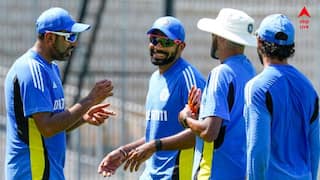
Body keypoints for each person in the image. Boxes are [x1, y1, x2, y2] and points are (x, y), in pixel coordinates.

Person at [5, 7, 115, 179]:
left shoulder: (51, 68)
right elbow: (47, 127)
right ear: (49, 37)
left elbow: (54, 123)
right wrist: (91, 99)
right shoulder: (32, 70)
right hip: (33, 173)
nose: (74, 43)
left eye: (75, 36)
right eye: (69, 36)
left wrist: (82, 118)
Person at [97, 16, 205, 179]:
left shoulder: (188, 78)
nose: (158, 46)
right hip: (150, 174)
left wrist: (155, 146)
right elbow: (155, 135)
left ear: (181, 47)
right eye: (154, 40)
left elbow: (200, 133)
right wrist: (124, 152)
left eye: (166, 42)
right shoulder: (155, 78)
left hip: (176, 174)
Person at [178, 8, 256, 179]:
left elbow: (209, 132)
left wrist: (186, 118)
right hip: (241, 172)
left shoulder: (221, 73)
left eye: (214, 34)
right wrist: (202, 113)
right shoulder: (250, 70)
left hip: (213, 173)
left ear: (221, 37)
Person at [244, 14, 319, 180]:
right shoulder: (309, 89)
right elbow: (315, 147)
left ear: (259, 42)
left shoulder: (257, 88)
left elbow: (258, 149)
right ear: (291, 47)